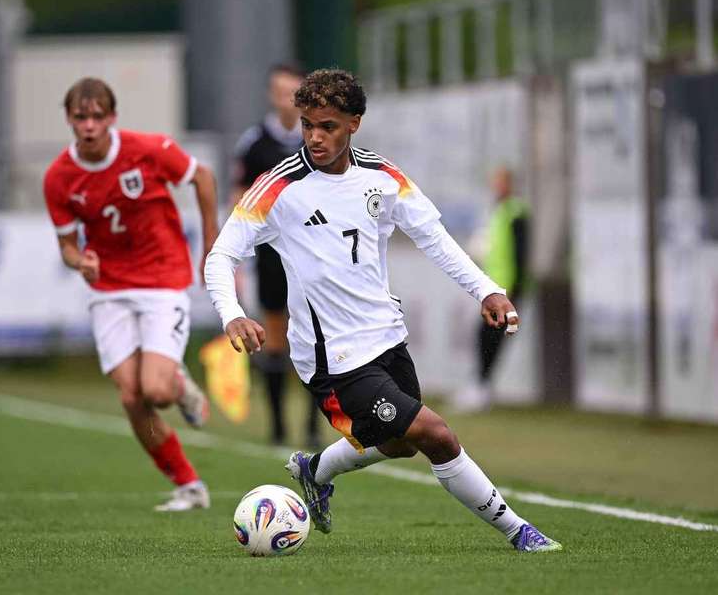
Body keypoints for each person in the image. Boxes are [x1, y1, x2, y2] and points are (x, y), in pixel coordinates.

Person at [204, 69, 561, 552]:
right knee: (436, 434)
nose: (314, 137)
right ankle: (520, 531)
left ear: (354, 123)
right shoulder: (278, 186)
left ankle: (316, 470)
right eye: (307, 125)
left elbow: (434, 239)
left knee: (399, 444)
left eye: (327, 126)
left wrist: (486, 291)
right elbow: (221, 255)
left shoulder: (383, 177)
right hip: (332, 358)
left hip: (386, 337)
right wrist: (232, 313)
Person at [44, 77, 217, 512]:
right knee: (131, 397)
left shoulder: (149, 150)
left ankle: (177, 383)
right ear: (68, 119)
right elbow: (67, 246)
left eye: (97, 116)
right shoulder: (59, 177)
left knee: (156, 391)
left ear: (112, 118)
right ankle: (189, 485)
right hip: (109, 290)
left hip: (162, 279)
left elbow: (203, 177)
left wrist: (211, 245)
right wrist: (79, 261)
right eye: (80, 117)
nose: (89, 125)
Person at [232, 63, 320, 447]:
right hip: (271, 255)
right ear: (271, 95)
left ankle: (316, 427)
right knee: (276, 336)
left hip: (313, 253)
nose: (287, 99)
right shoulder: (255, 143)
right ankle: (279, 427)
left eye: (293, 92)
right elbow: (239, 196)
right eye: (280, 92)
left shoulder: (318, 137)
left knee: (317, 336)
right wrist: (239, 248)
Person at [456, 167, 531, 411]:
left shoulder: (516, 212)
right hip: (495, 286)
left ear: (509, 184)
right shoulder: (498, 210)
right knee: (486, 336)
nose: (496, 186)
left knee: (489, 336)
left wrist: (516, 288)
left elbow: (521, 253)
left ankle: (481, 387)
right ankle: (481, 385)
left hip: (507, 288)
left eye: (500, 182)